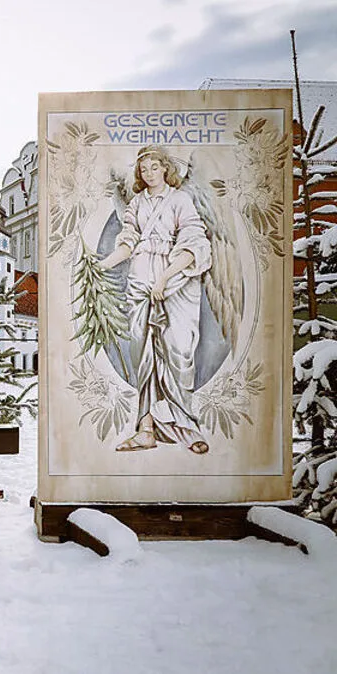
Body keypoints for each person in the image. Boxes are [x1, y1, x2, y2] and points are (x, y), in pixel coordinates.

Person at [99, 145, 212, 455]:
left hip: (174, 280)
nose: (148, 173)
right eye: (143, 168)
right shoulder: (136, 204)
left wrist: (164, 279)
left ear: (165, 168)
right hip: (139, 280)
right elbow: (127, 242)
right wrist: (101, 266)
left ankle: (186, 427)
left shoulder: (180, 200)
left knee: (179, 350)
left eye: (154, 167)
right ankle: (146, 429)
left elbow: (194, 242)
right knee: (143, 353)